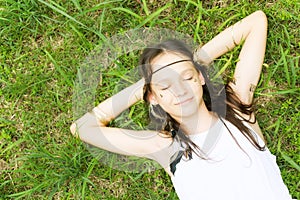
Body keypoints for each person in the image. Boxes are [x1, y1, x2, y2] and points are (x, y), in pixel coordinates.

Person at [70, 10, 293, 199]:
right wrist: (144, 86)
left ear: (200, 78)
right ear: (153, 97)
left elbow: (255, 22)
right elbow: (83, 127)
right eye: (165, 86)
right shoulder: (165, 147)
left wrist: (192, 62)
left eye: (186, 78)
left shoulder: (237, 110)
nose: (179, 90)